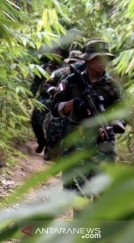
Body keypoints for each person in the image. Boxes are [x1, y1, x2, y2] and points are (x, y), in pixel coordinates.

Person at [51, 38, 125, 215]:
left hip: (103, 149)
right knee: (79, 198)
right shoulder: (71, 81)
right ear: (88, 60)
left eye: (105, 58)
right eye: (98, 58)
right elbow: (55, 108)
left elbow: (120, 114)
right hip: (77, 146)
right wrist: (73, 103)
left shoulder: (112, 86)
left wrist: (111, 128)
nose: (102, 62)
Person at [43, 50, 86, 161]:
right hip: (60, 104)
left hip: (77, 108)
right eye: (72, 61)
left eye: (76, 62)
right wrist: (54, 91)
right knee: (52, 126)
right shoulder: (60, 72)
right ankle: (49, 149)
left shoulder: (85, 76)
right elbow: (48, 83)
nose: (74, 64)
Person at [30, 47, 65, 156]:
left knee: (52, 124)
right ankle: (41, 142)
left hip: (57, 99)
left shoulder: (64, 69)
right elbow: (35, 84)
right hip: (44, 97)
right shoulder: (43, 68)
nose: (56, 55)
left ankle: (49, 149)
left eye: (59, 54)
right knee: (35, 120)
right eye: (55, 53)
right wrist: (30, 95)